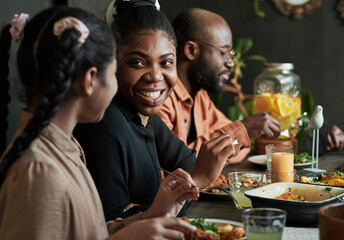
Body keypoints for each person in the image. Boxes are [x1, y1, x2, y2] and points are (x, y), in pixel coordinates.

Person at [0, 6, 199, 239]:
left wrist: (152, 213)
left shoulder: (66, 149)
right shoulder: (39, 173)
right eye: (114, 73)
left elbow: (88, 233)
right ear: (90, 80)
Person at [74, 0, 235, 222]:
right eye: (138, 63)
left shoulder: (145, 116)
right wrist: (196, 180)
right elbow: (108, 227)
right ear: (113, 62)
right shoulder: (105, 125)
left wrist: (196, 173)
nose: (156, 76)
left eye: (166, 63)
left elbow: (188, 163)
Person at [159, 8, 281, 164]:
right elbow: (176, 165)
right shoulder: (159, 97)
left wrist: (233, 140)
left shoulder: (200, 96)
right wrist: (242, 133)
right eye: (224, 52)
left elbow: (240, 146)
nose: (230, 63)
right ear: (191, 50)